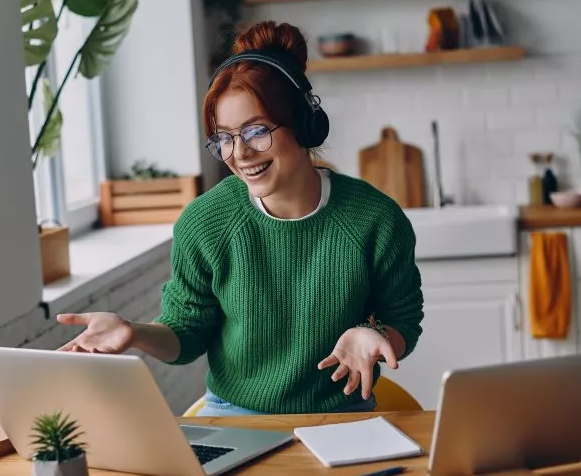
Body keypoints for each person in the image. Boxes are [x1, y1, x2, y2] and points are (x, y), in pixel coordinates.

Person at [57, 21, 424, 416]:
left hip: (340, 415)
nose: (240, 153)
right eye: (224, 138)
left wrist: (374, 333)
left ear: (305, 124)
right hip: (234, 416)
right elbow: (186, 334)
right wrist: (135, 333)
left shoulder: (375, 219)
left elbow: (402, 318)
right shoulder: (204, 223)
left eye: (256, 131)